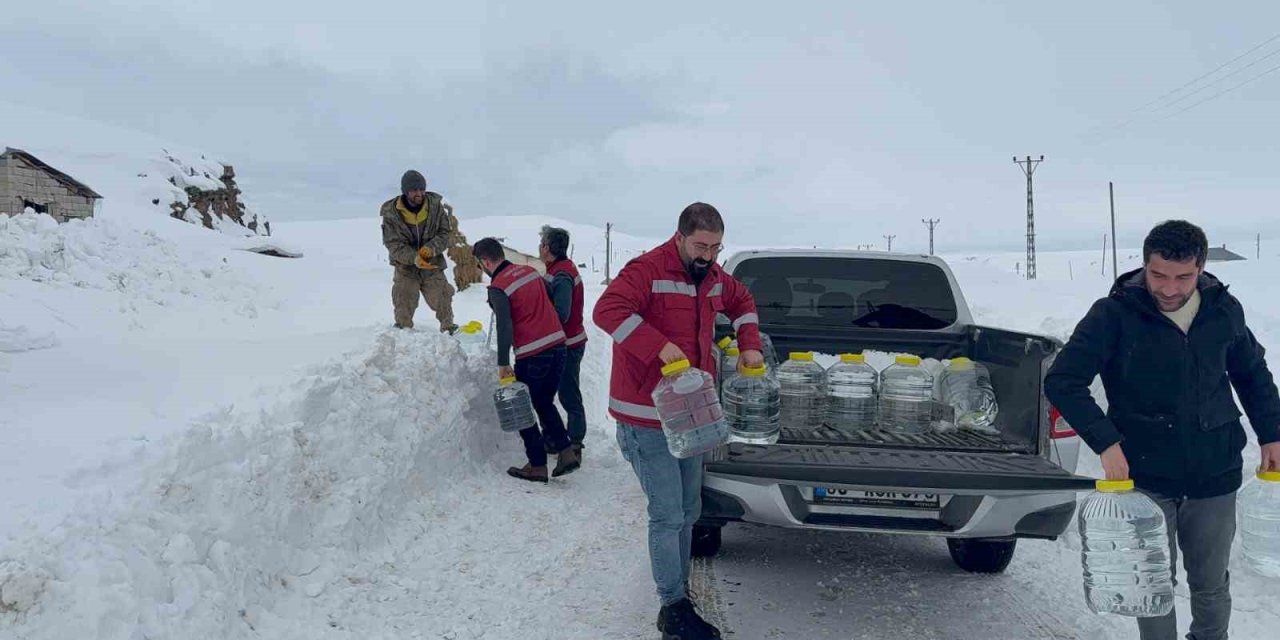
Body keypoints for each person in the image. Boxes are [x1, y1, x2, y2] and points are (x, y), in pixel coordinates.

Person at [1045, 220, 1280, 640]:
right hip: (1144, 472)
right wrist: (1106, 442)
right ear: (1144, 266)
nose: (1169, 289)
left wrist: (1272, 432)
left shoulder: (1223, 309)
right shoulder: (1113, 314)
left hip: (1215, 468)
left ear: (1201, 269)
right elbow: (1063, 380)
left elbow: (1252, 374)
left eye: (1182, 277)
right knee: (1152, 583)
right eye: (1159, 275)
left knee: (1211, 581)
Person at [593, 203, 764, 640]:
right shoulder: (648, 270)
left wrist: (749, 343)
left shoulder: (713, 277)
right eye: (701, 246)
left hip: (689, 414)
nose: (709, 255)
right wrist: (656, 345)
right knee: (668, 514)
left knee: (689, 511)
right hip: (644, 415)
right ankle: (672, 608)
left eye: (716, 247)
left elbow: (742, 301)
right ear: (680, 237)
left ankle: (679, 591)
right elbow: (607, 310)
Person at [473, 237, 582, 483]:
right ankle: (566, 453)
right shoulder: (531, 272)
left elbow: (504, 325)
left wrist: (503, 362)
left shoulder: (498, 287)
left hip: (533, 354)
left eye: (480, 264)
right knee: (544, 402)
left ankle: (537, 465)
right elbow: (550, 297)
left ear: (485, 262)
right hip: (559, 346)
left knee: (521, 407)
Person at [380, 169, 458, 333]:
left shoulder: (436, 207)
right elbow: (393, 244)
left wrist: (430, 249)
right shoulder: (391, 213)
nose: (419, 193)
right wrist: (414, 258)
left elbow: (445, 234)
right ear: (405, 191)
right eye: (414, 190)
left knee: (442, 296)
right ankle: (403, 333)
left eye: (422, 189)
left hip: (432, 264)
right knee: (403, 298)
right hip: (405, 267)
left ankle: (449, 329)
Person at [539, 225, 588, 459]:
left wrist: (536, 319)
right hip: (561, 343)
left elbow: (562, 313)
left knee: (568, 393)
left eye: (541, 244)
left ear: (547, 248)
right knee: (550, 391)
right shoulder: (558, 269)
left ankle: (575, 443)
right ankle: (553, 439)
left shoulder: (562, 275)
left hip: (568, 345)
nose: (539, 248)